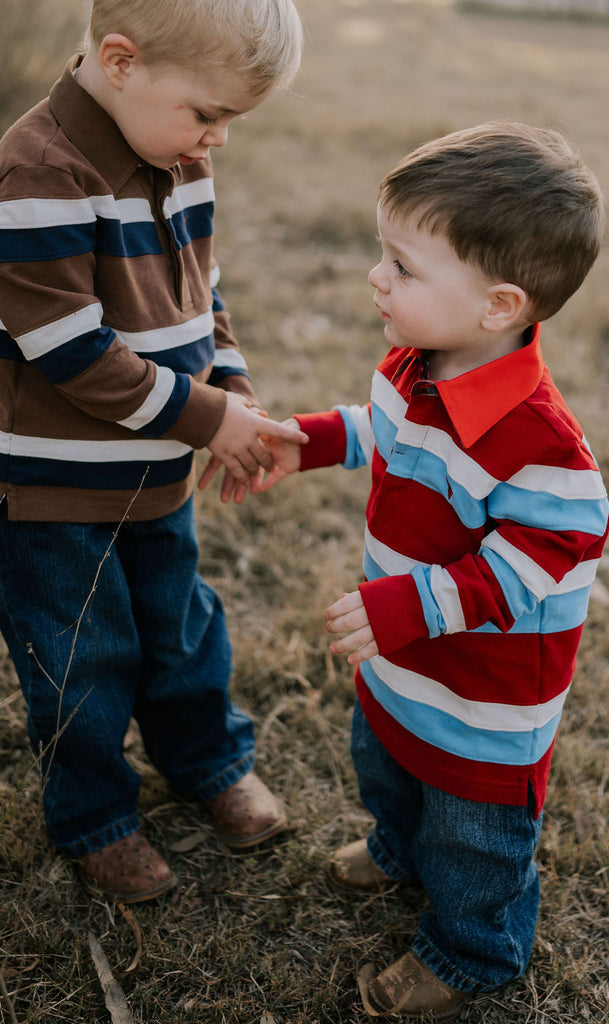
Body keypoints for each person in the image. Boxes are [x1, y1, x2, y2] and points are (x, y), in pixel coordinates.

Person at [258, 122, 609, 1019]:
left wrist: (410, 605)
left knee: (473, 836)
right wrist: (313, 441)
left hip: (483, 698)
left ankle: (471, 950)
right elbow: (382, 425)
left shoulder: (541, 447)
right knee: (385, 757)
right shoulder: (417, 364)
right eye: (383, 254)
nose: (377, 276)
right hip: (404, 658)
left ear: (498, 305)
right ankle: (396, 848)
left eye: (403, 266)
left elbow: (536, 558)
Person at [0, 0, 308, 904]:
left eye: (228, 123)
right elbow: (68, 351)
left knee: (181, 628)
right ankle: (96, 815)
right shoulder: (37, 172)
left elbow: (201, 296)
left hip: (156, 467)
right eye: (208, 114)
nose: (216, 141)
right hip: (53, 489)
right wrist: (209, 419)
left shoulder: (176, 157)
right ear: (122, 61)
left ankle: (207, 762)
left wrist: (234, 389)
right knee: (80, 657)